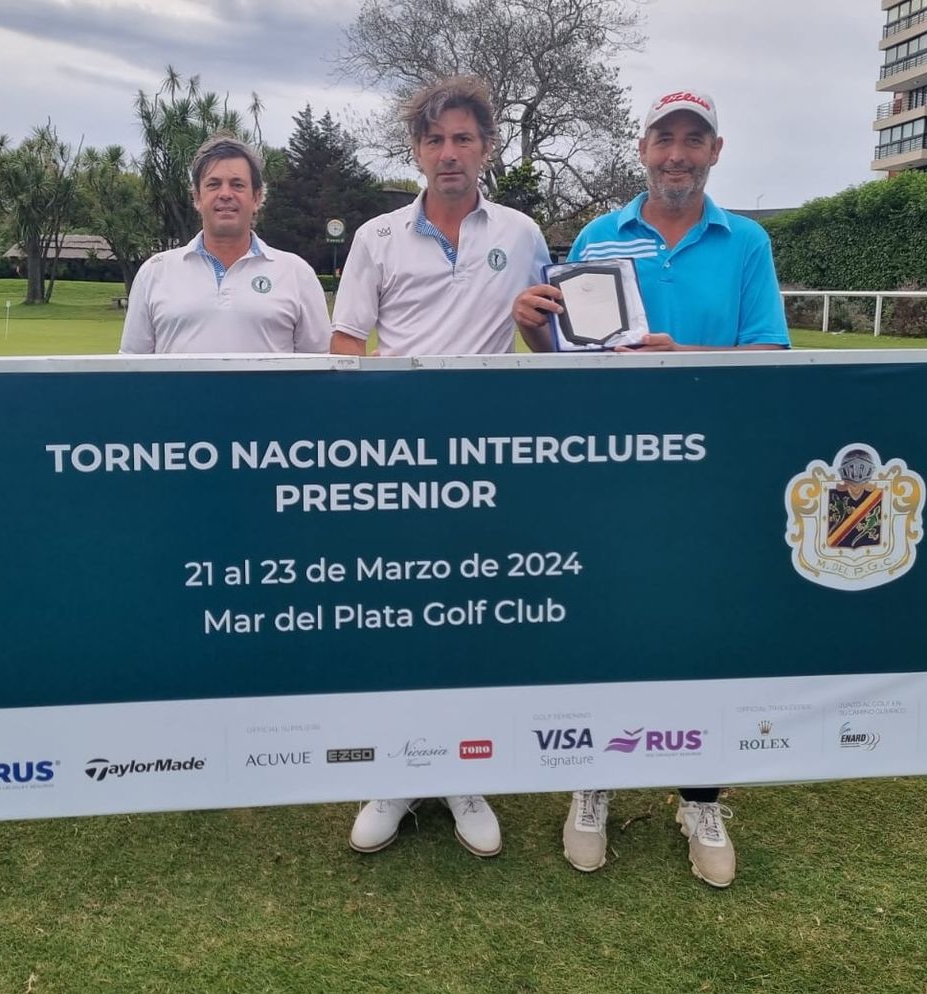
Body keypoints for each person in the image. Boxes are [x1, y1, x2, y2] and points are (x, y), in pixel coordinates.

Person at [514, 89, 789, 888]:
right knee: (609, 620)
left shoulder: (745, 242)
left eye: (692, 140)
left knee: (701, 629)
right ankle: (594, 777)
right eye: (663, 137)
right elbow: (567, 362)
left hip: (713, 474)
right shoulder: (601, 237)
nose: (677, 153)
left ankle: (700, 793)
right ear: (642, 148)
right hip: (616, 472)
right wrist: (536, 328)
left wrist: (680, 354)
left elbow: (770, 358)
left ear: (715, 150)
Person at [332, 76, 552, 857]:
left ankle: (463, 770)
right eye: (435, 140)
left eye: (464, 138)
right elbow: (346, 348)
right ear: (417, 151)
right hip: (394, 462)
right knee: (396, 619)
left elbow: (548, 346)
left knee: (470, 619)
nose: (449, 153)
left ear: (487, 147)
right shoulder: (377, 237)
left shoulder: (523, 233)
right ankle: (394, 772)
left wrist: (538, 328)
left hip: (488, 463)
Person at [119, 135, 330, 355]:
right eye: (214, 184)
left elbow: (320, 368)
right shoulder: (155, 272)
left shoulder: (296, 273)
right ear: (197, 197)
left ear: (256, 197)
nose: (226, 194)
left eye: (237, 185)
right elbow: (131, 369)